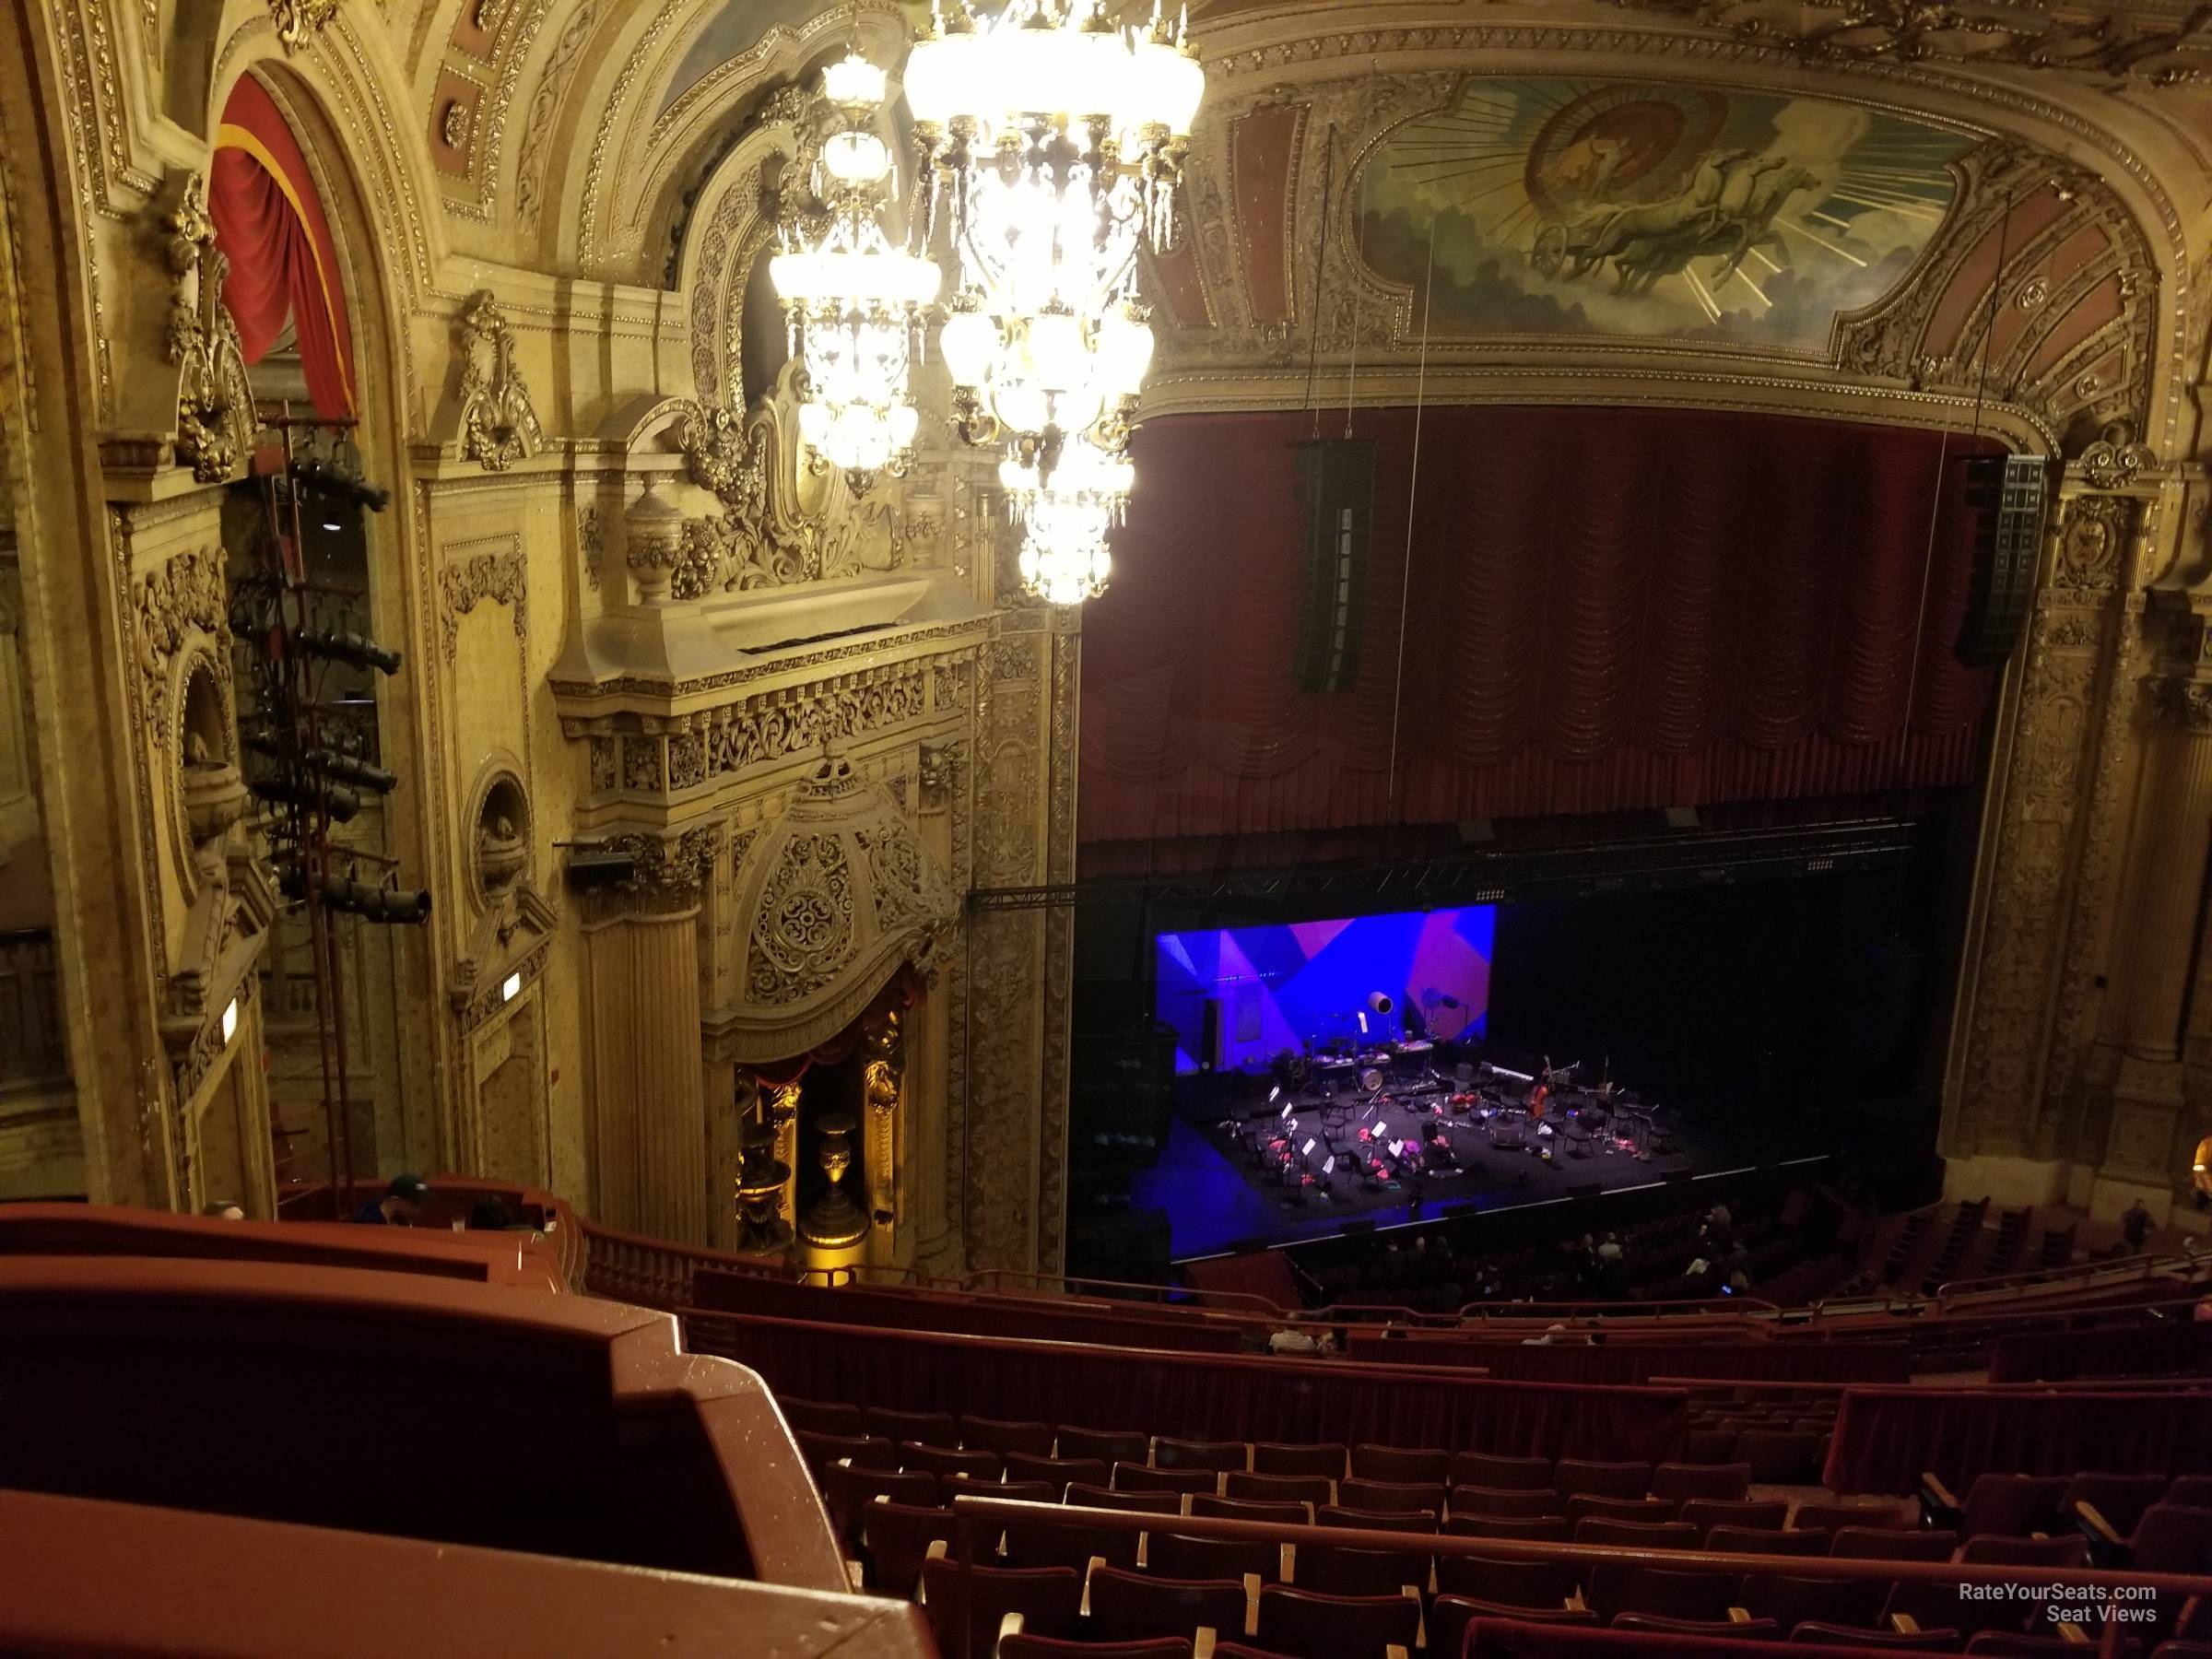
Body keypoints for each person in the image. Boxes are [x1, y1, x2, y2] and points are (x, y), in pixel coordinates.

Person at [352, 1173, 430, 1226]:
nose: (419, 1211)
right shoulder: (368, 1222)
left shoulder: (401, 1219)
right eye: (415, 1204)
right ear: (395, 1200)